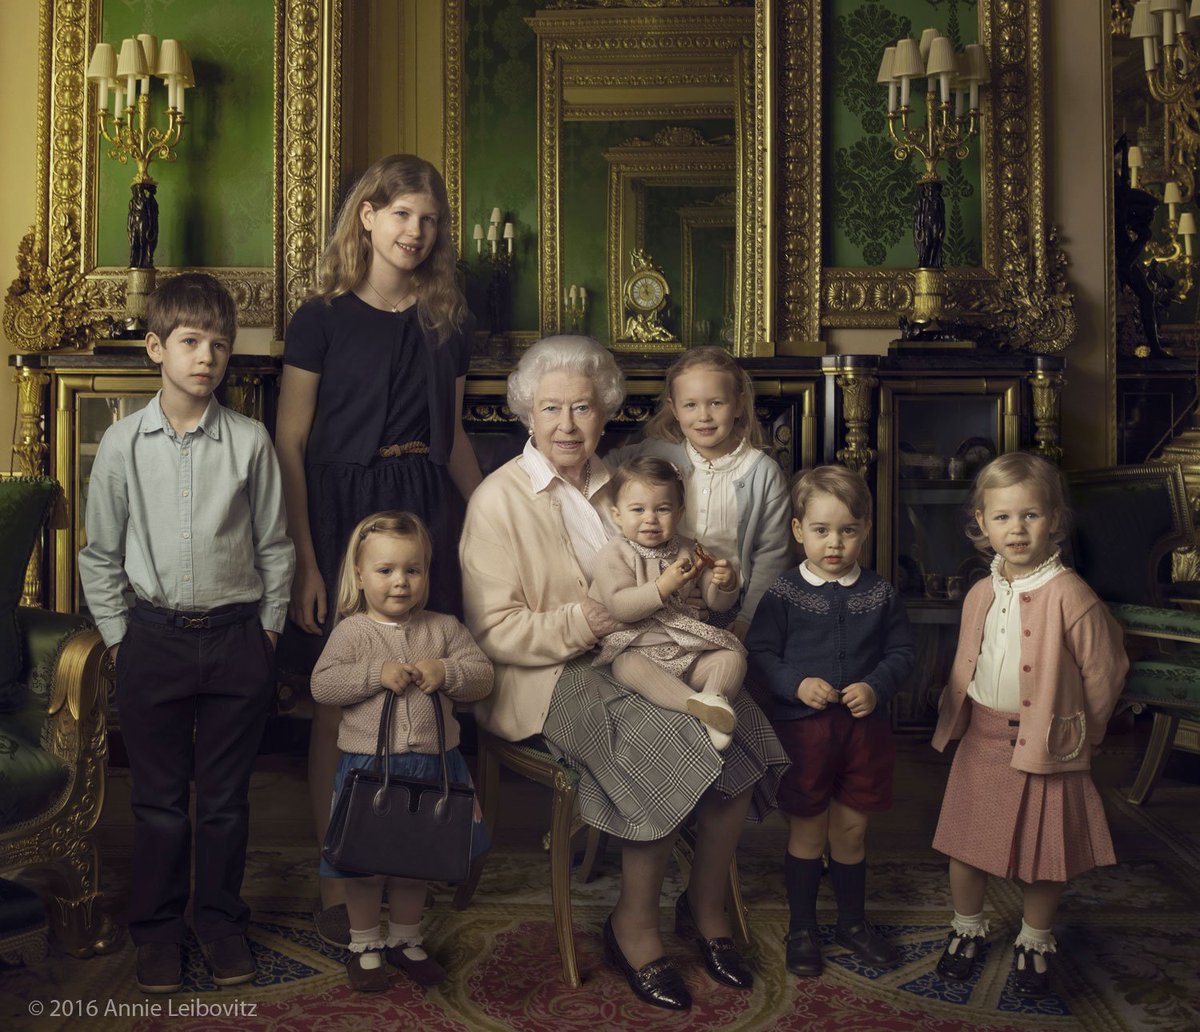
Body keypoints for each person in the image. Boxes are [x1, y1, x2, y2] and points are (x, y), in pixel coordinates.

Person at [460, 335, 788, 1012]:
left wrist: (707, 592)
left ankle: (705, 908)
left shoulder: (628, 483)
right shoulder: (498, 500)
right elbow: (496, 633)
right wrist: (590, 623)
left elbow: (677, 585)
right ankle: (631, 925)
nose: (567, 424)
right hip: (549, 673)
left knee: (743, 724)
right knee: (666, 735)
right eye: (551, 408)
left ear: (605, 412)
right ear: (527, 413)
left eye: (583, 408)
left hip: (645, 651)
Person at [274, 154, 483, 945]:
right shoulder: (320, 317)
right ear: (366, 215)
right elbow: (291, 440)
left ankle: (419, 858)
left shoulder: (446, 321)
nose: (415, 232)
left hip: (425, 505)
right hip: (340, 513)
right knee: (344, 698)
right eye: (401, 215)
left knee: (430, 687)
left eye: (428, 220)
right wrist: (305, 556)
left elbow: (456, 435)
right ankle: (341, 874)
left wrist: (488, 513)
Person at [79, 273, 295, 994]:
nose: (206, 357)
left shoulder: (250, 442)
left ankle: (221, 922)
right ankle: (158, 931)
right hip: (153, 642)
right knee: (160, 803)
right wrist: (119, 638)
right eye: (191, 343)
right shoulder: (120, 446)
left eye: (220, 346)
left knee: (228, 800)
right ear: (156, 349)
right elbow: (100, 554)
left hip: (237, 641)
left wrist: (266, 634)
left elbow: (274, 546)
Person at [930, 452, 1128, 996]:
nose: (1016, 529)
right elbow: (969, 661)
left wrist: (1079, 732)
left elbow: (1106, 672)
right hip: (984, 737)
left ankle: (1035, 938)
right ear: (981, 524)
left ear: (1055, 520)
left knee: (1044, 857)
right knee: (966, 847)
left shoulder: (1071, 594)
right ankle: (967, 929)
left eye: (1031, 516)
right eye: (1002, 517)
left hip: (1048, 745)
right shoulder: (979, 592)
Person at [311, 511, 492, 992]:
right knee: (365, 864)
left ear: (427, 574)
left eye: (413, 570)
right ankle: (366, 943)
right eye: (386, 570)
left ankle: (406, 939)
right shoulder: (352, 633)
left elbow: (482, 676)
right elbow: (323, 685)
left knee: (419, 862)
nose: (400, 582)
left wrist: (447, 673)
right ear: (360, 575)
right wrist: (374, 674)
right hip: (370, 769)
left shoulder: (445, 628)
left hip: (435, 768)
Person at [746, 465, 915, 979]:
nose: (834, 543)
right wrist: (796, 683)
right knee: (807, 830)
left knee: (853, 828)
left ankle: (852, 923)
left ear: (865, 529)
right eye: (821, 531)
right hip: (806, 734)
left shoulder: (880, 593)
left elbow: (903, 651)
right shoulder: (783, 593)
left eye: (847, 530)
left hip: (864, 734)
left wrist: (876, 685)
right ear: (799, 531)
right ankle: (802, 927)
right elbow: (760, 652)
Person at [606, 345, 790, 640]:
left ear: (739, 404)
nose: (703, 416)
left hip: (730, 602)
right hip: (661, 592)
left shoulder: (763, 473)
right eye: (690, 405)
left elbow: (772, 557)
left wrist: (747, 618)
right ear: (674, 409)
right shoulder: (658, 452)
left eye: (716, 403)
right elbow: (606, 469)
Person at [590, 455, 747, 750]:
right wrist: (662, 587)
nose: (650, 518)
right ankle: (698, 707)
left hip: (687, 648)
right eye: (637, 509)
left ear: (679, 512)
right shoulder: (614, 554)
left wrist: (725, 584)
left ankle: (714, 698)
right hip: (640, 646)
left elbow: (716, 605)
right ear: (617, 515)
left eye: (662, 509)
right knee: (626, 667)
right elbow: (619, 606)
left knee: (732, 658)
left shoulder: (690, 548)